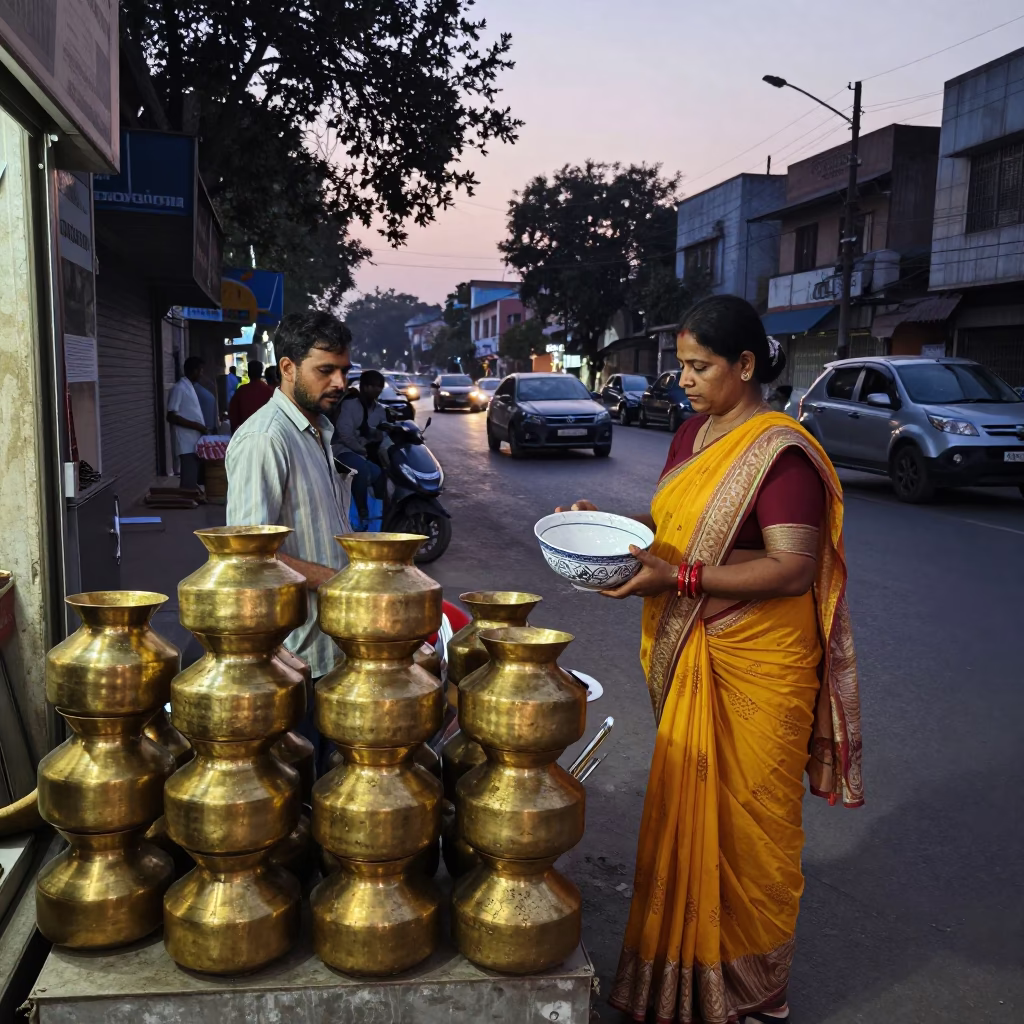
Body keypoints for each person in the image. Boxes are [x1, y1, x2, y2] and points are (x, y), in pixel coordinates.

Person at [558, 295, 863, 1024]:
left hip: (756, 660)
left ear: (746, 365)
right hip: (695, 646)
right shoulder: (692, 435)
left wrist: (679, 579)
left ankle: (755, 994)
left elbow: (793, 567)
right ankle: (681, 982)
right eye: (681, 367)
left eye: (700, 367)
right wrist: (605, 528)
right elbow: (671, 527)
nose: (684, 380)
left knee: (751, 830)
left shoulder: (780, 452)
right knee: (688, 815)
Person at [225, 312, 353, 765]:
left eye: (343, 371)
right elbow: (249, 556)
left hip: (331, 648)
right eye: (325, 371)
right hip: (295, 657)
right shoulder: (264, 439)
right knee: (300, 792)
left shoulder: (317, 431)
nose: (338, 382)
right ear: (287, 368)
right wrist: (340, 582)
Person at [331, 368, 389, 522]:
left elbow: (383, 435)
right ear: (364, 387)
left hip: (363, 454)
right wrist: (361, 449)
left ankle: (378, 514)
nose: (377, 390)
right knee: (360, 470)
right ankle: (362, 511)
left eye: (380, 386)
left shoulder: (380, 411)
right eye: (373, 386)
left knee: (379, 474)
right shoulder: (349, 406)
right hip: (343, 451)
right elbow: (345, 434)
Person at [166, 356, 208, 491]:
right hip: (185, 441)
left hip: (193, 441)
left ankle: (190, 497)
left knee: (192, 477)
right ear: (194, 371)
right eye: (200, 371)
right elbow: (171, 416)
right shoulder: (179, 388)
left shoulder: (189, 386)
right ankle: (186, 499)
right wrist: (197, 426)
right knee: (188, 479)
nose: (202, 374)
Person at [228, 359, 274, 432]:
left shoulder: (241, 391)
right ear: (261, 372)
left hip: (246, 434)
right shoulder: (269, 391)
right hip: (265, 434)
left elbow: (233, 415)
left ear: (248, 373)